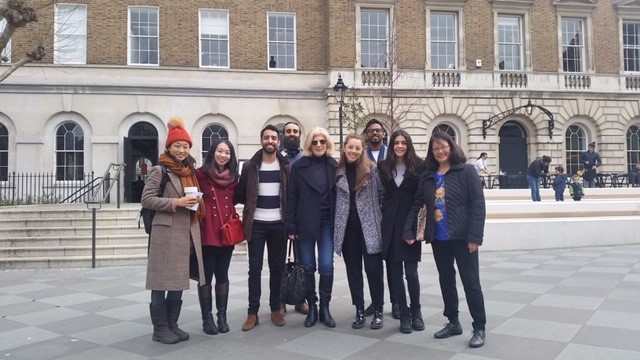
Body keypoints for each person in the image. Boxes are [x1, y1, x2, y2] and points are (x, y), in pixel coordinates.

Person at [403, 131, 487, 348]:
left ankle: (479, 326)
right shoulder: (428, 175)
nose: (440, 151)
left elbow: (478, 205)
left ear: (451, 147)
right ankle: (453, 321)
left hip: (463, 237)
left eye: (443, 146)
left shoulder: (466, 171)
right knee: (446, 280)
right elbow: (418, 203)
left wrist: (475, 236)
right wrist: (409, 230)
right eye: (435, 148)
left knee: (471, 282)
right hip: (439, 237)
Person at [142, 116, 205, 344]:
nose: (181, 149)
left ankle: (172, 325)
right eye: (177, 145)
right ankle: (160, 328)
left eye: (185, 146)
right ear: (168, 146)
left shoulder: (190, 171)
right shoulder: (160, 170)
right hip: (165, 232)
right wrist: (175, 203)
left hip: (186, 232)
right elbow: (147, 199)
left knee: (178, 280)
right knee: (161, 281)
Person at [234, 124, 290, 331]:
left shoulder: (285, 166)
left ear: (278, 141)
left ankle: (276, 308)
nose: (270, 141)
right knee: (254, 269)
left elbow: (290, 197)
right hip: (256, 225)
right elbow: (239, 193)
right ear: (261, 140)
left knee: (277, 268)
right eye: (267, 137)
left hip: (278, 224)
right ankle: (252, 312)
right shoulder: (250, 166)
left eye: (274, 138)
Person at [286, 127, 338, 328]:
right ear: (309, 144)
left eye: (322, 142)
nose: (318, 145)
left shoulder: (334, 165)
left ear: (327, 144)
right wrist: (291, 226)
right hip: (305, 221)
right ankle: (313, 307)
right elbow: (292, 197)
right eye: (315, 142)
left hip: (326, 221)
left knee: (326, 264)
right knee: (308, 266)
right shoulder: (299, 167)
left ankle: (325, 307)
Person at [334, 134, 385, 330]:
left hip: (370, 227)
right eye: (350, 147)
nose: (354, 151)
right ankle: (360, 310)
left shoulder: (372, 170)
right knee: (353, 271)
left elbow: (382, 194)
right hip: (348, 230)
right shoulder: (338, 171)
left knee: (374, 270)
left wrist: (377, 215)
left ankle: (378, 310)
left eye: (357, 148)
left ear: (362, 150)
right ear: (344, 148)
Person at [378, 130, 425, 334]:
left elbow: (421, 197)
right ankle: (404, 314)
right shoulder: (383, 166)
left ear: (408, 144)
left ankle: (416, 311)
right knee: (395, 272)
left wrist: (414, 227)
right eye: (396, 142)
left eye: (403, 142)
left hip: (410, 223)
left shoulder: (419, 166)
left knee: (411, 273)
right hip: (389, 224)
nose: (399, 146)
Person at [195, 139, 239, 335]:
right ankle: (207, 318)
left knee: (223, 274)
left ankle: (222, 316)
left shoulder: (234, 178)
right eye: (220, 151)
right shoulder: (200, 175)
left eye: (227, 152)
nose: (223, 155)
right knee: (206, 277)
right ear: (213, 152)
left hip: (226, 232)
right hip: (207, 232)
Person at [363, 118, 398, 319]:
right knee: (372, 264)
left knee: (393, 263)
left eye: (378, 130)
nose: (375, 133)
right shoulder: (362, 155)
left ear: (384, 133)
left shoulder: (392, 154)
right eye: (371, 131)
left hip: (390, 216)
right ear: (366, 134)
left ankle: (396, 302)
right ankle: (377, 302)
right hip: (370, 218)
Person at [279, 121, 309, 315]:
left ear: (299, 135)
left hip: (301, 215)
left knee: (302, 260)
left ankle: (300, 298)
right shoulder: (276, 158)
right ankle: (280, 300)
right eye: (288, 131)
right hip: (279, 215)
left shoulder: (305, 159)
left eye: (295, 131)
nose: (291, 134)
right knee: (279, 259)